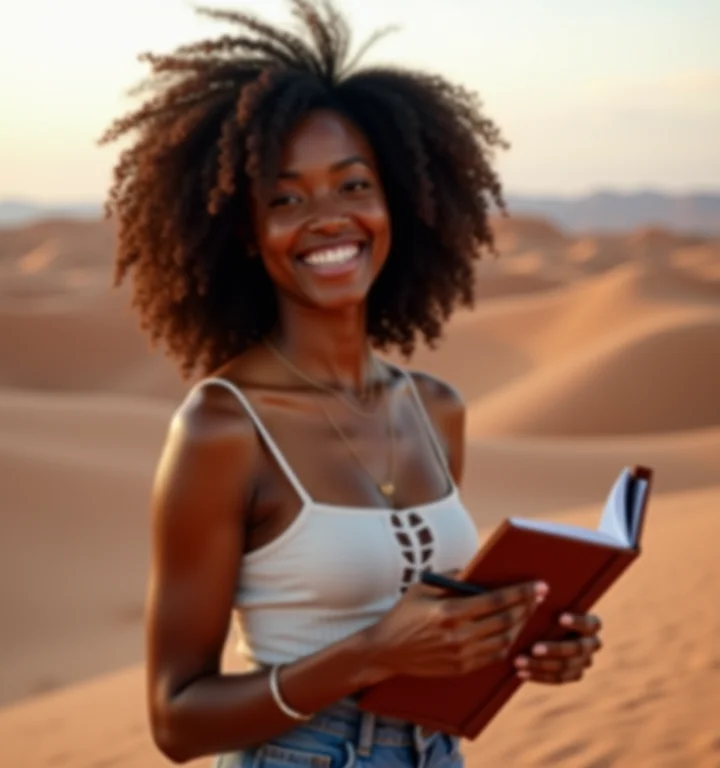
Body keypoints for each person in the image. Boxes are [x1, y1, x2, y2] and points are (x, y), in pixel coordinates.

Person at [99, 1, 603, 765]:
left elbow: (428, 647)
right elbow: (177, 721)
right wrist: (368, 654)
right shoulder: (222, 428)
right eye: (286, 199)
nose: (328, 219)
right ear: (244, 231)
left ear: (395, 200)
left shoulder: (436, 410)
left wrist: (524, 649)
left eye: (353, 185)